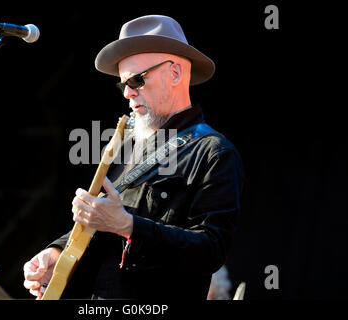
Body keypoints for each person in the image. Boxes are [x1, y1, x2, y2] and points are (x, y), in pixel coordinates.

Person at [23, 14, 244, 300]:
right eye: (123, 83)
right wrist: (57, 253)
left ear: (175, 73)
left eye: (137, 80)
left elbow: (211, 250)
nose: (127, 92)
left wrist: (129, 226)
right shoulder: (124, 144)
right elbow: (102, 222)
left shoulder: (215, 152)